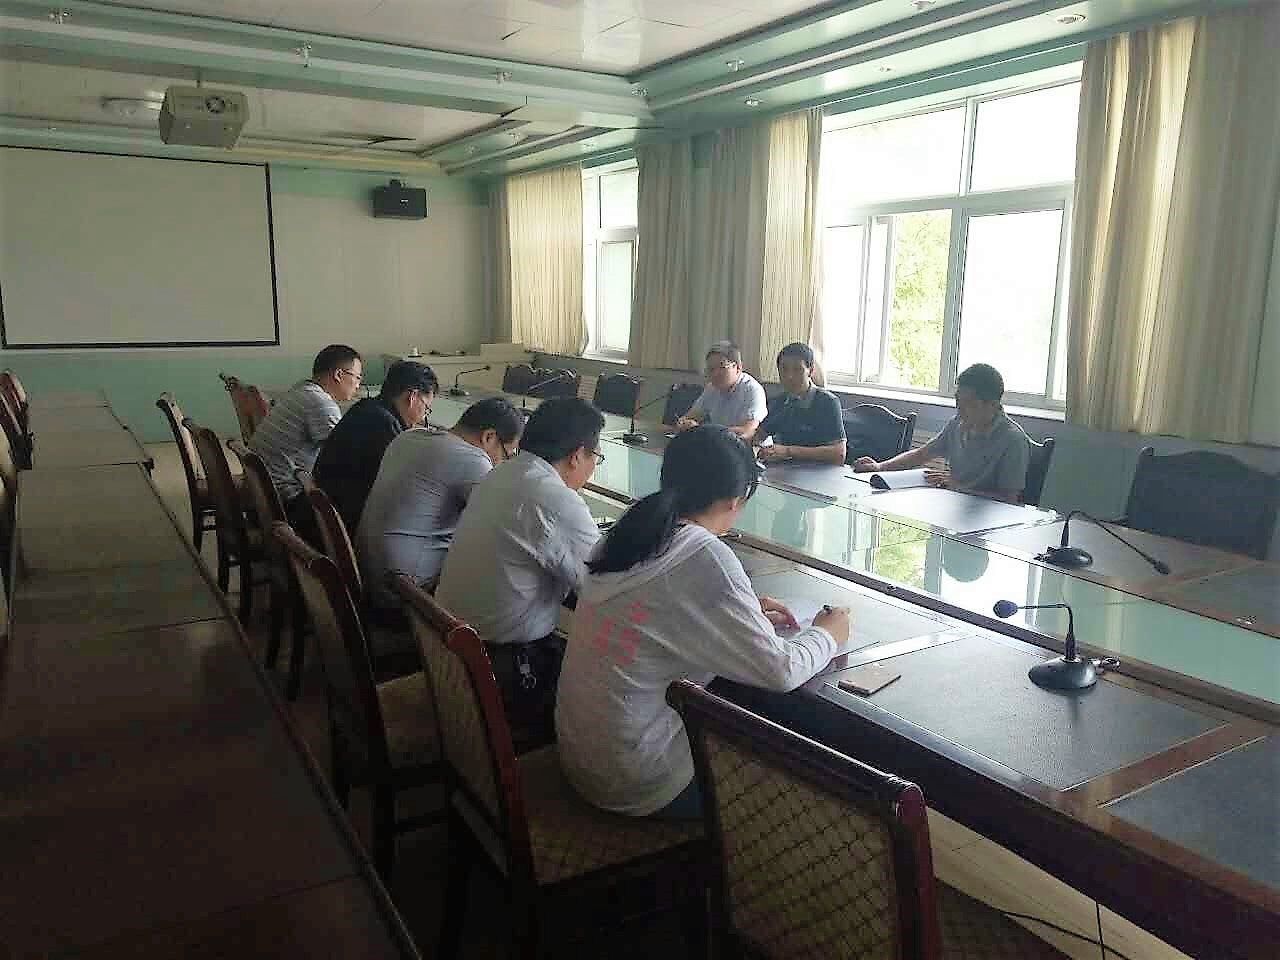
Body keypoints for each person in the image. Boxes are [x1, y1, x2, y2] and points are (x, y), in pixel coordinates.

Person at [555, 425, 851, 820]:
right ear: (734, 501)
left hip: (584, 758)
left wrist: (738, 614)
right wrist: (827, 633)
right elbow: (779, 670)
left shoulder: (627, 534)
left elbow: (659, 608)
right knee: (794, 783)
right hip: (640, 782)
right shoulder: (705, 555)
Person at [435, 396, 605, 745]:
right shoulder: (553, 498)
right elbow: (605, 586)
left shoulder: (502, 472)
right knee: (607, 678)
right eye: (595, 457)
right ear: (577, 455)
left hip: (453, 656)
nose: (593, 468)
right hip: (502, 672)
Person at [357, 397, 523, 612]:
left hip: (366, 572)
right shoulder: (472, 459)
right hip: (404, 594)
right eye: (507, 455)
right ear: (489, 437)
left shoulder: (409, 436)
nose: (501, 463)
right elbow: (503, 526)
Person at [852, 363, 1030, 502]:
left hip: (986, 522)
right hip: (952, 506)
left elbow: (1009, 499)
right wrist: (880, 467)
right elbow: (921, 454)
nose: (959, 409)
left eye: (968, 403)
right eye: (957, 400)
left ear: (992, 405)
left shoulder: (1012, 440)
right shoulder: (957, 423)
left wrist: (959, 488)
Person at [313, 361, 438, 533]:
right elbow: (402, 490)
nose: (423, 417)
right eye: (426, 409)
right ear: (412, 396)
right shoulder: (385, 426)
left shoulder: (366, 408)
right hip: (345, 526)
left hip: (325, 517)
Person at [249, 344, 362, 528]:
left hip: (263, 494)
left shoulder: (302, 389)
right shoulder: (320, 403)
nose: (358, 384)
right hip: (286, 501)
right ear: (339, 375)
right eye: (357, 377)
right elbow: (345, 456)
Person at [753, 342, 847, 465]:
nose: (789, 376)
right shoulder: (780, 401)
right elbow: (758, 435)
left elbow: (839, 454)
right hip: (786, 469)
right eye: (784, 369)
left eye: (797, 369)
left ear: (811, 371)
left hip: (818, 471)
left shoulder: (828, 402)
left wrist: (788, 451)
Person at [675, 341, 768, 438]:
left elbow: (747, 431)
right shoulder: (712, 388)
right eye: (711, 369)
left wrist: (702, 430)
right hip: (719, 443)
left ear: (738, 368)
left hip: (749, 446)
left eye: (722, 367)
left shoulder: (753, 390)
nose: (715, 374)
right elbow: (690, 416)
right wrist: (682, 423)